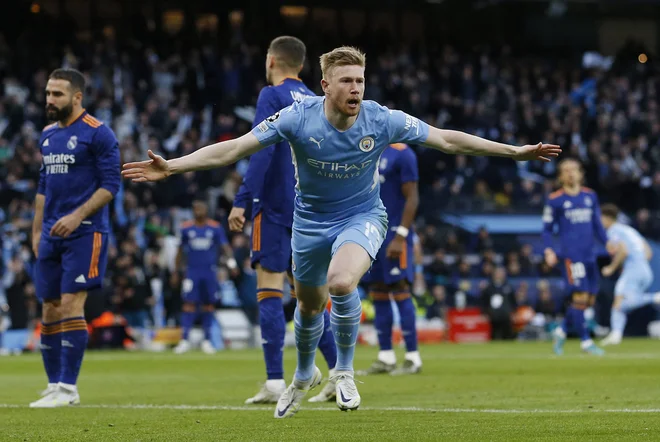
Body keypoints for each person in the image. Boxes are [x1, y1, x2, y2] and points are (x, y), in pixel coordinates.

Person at [122, 46, 560, 418]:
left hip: (364, 216)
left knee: (340, 282)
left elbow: (445, 139)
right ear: (325, 84)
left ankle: (344, 371)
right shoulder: (297, 117)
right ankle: (302, 375)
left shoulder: (382, 119)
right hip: (309, 224)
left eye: (360, 80)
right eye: (346, 80)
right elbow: (235, 148)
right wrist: (174, 166)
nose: (356, 88)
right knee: (309, 308)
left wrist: (513, 151)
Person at [228, 36, 338, 404]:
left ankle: (275, 380)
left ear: (272, 60)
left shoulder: (270, 96)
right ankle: (339, 373)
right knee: (309, 298)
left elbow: (259, 150)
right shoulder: (314, 100)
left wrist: (242, 200)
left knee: (269, 291)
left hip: (274, 206)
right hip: (310, 209)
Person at [30, 68, 120, 407]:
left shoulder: (99, 134)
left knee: (70, 304)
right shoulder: (47, 135)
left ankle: (69, 388)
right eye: (48, 93)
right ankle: (53, 385)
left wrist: (76, 215)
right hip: (51, 233)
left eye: (57, 94)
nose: (49, 100)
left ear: (77, 97)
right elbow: (43, 186)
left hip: (85, 232)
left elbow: (111, 185)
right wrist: (36, 230)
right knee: (49, 308)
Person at [359, 143, 422, 375]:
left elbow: (412, 197)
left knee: (400, 288)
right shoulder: (367, 149)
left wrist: (402, 235)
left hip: (395, 234)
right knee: (378, 291)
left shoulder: (402, 153)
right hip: (372, 233)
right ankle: (385, 356)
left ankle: (413, 357)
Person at [542, 158, 607, 356]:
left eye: (574, 170)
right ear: (560, 176)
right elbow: (546, 229)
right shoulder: (555, 199)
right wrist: (549, 250)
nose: (571, 173)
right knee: (579, 297)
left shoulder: (590, 196)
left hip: (590, 255)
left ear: (581, 173)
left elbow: (597, 223)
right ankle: (586, 342)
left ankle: (561, 331)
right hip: (571, 256)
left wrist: (607, 242)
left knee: (588, 299)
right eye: (566, 170)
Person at [174, 198, 238, 354]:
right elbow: (180, 251)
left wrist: (232, 264)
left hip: (209, 271)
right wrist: (176, 271)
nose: (198, 211)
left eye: (201, 208)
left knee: (208, 304)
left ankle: (207, 340)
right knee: (188, 303)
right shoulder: (186, 228)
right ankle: (184, 340)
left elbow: (225, 248)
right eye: (195, 208)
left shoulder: (215, 228)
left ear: (206, 210)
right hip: (192, 271)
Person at [599, 204, 660, 345]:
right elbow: (648, 251)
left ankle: (654, 297)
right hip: (645, 269)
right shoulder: (630, 230)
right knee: (621, 302)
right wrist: (638, 262)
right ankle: (616, 334)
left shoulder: (613, 231)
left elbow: (623, 251)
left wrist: (612, 268)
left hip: (633, 269)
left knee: (620, 303)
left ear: (607, 218)